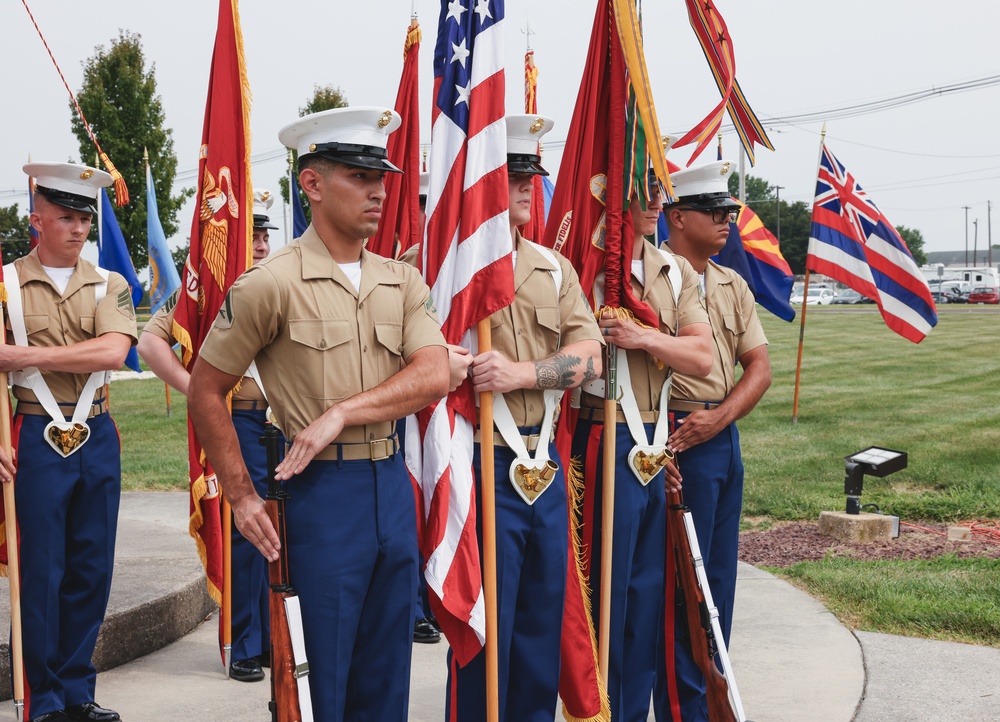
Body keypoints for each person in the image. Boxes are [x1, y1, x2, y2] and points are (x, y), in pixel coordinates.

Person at [187, 106, 450, 721]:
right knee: (317, 680)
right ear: (311, 183)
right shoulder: (268, 284)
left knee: (387, 681)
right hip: (321, 495)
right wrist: (243, 497)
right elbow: (206, 390)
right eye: (359, 177)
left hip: (391, 483)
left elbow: (434, 373)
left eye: (380, 177)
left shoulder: (401, 280)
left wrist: (343, 413)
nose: (379, 191)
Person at [445, 114, 603, 722]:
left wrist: (520, 374)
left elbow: (590, 356)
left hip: (542, 464)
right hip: (479, 462)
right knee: (484, 632)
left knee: (540, 630)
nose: (524, 187)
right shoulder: (444, 267)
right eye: (510, 175)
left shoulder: (553, 268)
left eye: (529, 175)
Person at [571, 169, 713, 722]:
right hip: (602, 436)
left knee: (645, 601)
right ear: (608, 191)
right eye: (641, 190)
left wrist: (642, 336)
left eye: (658, 191)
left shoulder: (672, 271)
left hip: (654, 446)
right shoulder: (584, 265)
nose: (655, 201)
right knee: (602, 599)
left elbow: (701, 359)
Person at [0, 161, 137, 722]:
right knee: (41, 571)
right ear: (37, 220)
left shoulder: (111, 283)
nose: (79, 228)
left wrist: (24, 356)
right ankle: (44, 698)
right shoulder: (7, 283)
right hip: (33, 433)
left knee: (91, 568)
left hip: (97, 433)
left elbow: (112, 352)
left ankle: (79, 691)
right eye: (65, 217)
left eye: (85, 217)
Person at [136, 188, 281, 682]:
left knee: (291, 534)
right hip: (238, 418)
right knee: (247, 534)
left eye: (265, 236)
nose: (259, 244)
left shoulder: (288, 277)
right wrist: (199, 392)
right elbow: (151, 342)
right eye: (252, 235)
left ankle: (278, 638)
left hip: (289, 423)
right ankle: (245, 642)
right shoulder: (208, 288)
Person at [652, 160, 772, 722]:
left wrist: (720, 420)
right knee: (683, 588)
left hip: (719, 439)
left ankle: (710, 699)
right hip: (673, 437)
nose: (727, 220)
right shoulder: (658, 277)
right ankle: (685, 708)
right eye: (714, 211)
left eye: (729, 211)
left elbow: (759, 368)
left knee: (717, 581)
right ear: (676, 217)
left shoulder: (731, 282)